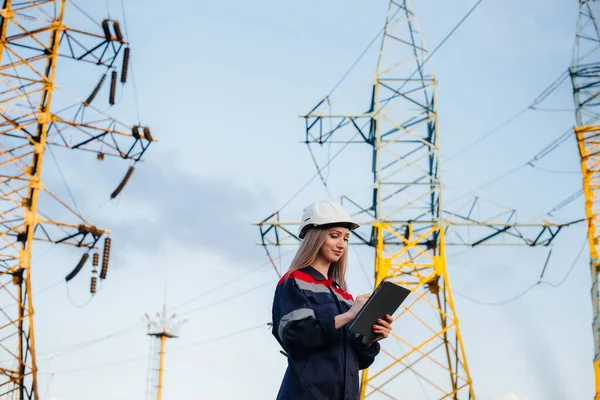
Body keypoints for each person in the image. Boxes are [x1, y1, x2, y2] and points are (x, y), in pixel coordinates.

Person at [271, 200, 394, 400]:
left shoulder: (344, 296)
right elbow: (296, 337)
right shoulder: (294, 281)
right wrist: (349, 315)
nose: (341, 245)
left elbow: (359, 360)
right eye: (334, 236)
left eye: (345, 238)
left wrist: (369, 339)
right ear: (315, 237)